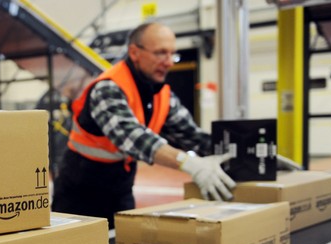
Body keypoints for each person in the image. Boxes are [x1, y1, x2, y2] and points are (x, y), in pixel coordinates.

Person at [51, 22, 235, 228]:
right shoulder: (108, 88)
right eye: (160, 53)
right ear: (134, 52)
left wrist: (247, 154)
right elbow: (133, 137)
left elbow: (193, 136)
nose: (168, 62)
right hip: (80, 190)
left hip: (120, 187)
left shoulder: (162, 95)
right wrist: (189, 164)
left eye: (172, 54)